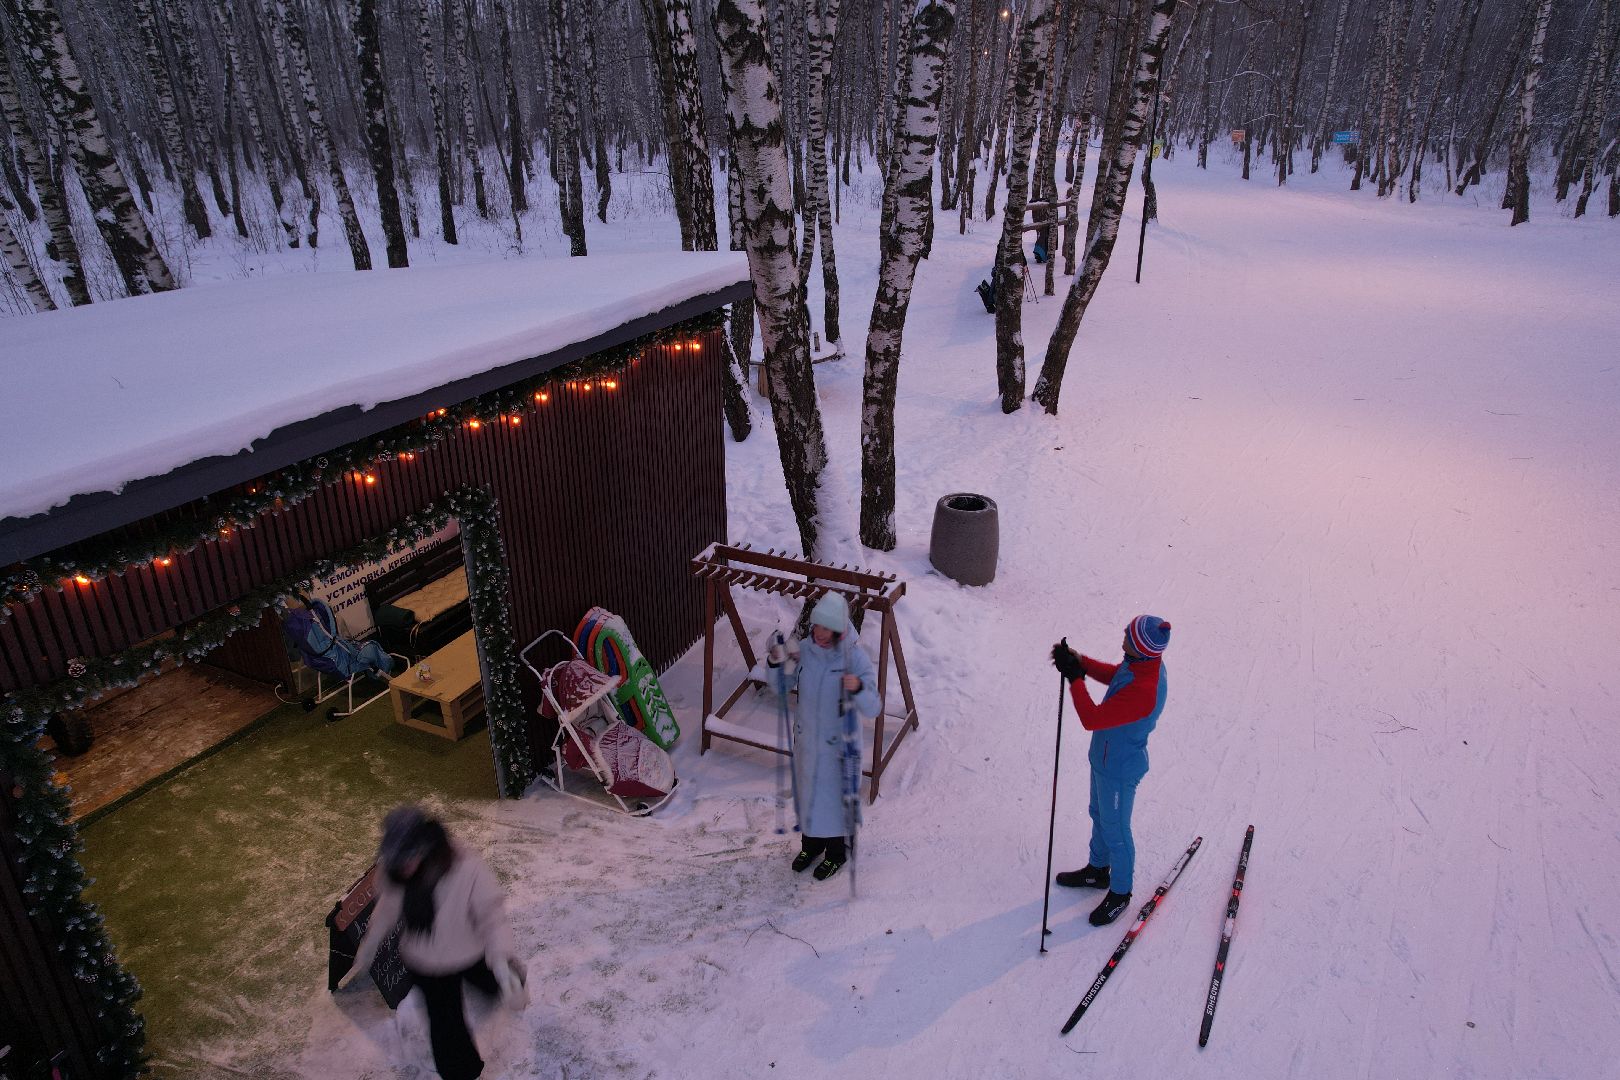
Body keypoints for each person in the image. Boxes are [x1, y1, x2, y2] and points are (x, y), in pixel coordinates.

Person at [339, 806, 523, 1080]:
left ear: (425, 847)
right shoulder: (393, 873)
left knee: (493, 983)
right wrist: (369, 943)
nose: (404, 866)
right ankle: (463, 1074)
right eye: (399, 860)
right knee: (445, 1027)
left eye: (409, 857)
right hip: (425, 962)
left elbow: (491, 915)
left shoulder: (465, 867)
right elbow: (387, 910)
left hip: (468, 951)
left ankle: (509, 979)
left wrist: (501, 960)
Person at [1049, 615, 1172, 926]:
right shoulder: (1142, 663)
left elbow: (1092, 718)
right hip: (1104, 759)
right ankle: (1097, 870)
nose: (1123, 638)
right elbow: (1117, 675)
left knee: (1116, 830)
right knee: (1098, 815)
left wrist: (1076, 678)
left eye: (1128, 637)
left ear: (1142, 649)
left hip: (1119, 768)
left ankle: (1121, 892)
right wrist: (1081, 662)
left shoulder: (1145, 689)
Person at [766, 592, 880, 881]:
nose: (819, 633)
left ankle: (837, 853)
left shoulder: (854, 659)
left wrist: (858, 688)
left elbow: (873, 706)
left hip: (838, 748)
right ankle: (811, 844)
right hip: (807, 742)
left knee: (833, 800)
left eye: (826, 628)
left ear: (840, 631)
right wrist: (775, 661)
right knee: (809, 795)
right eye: (817, 625)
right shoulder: (802, 649)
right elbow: (781, 686)